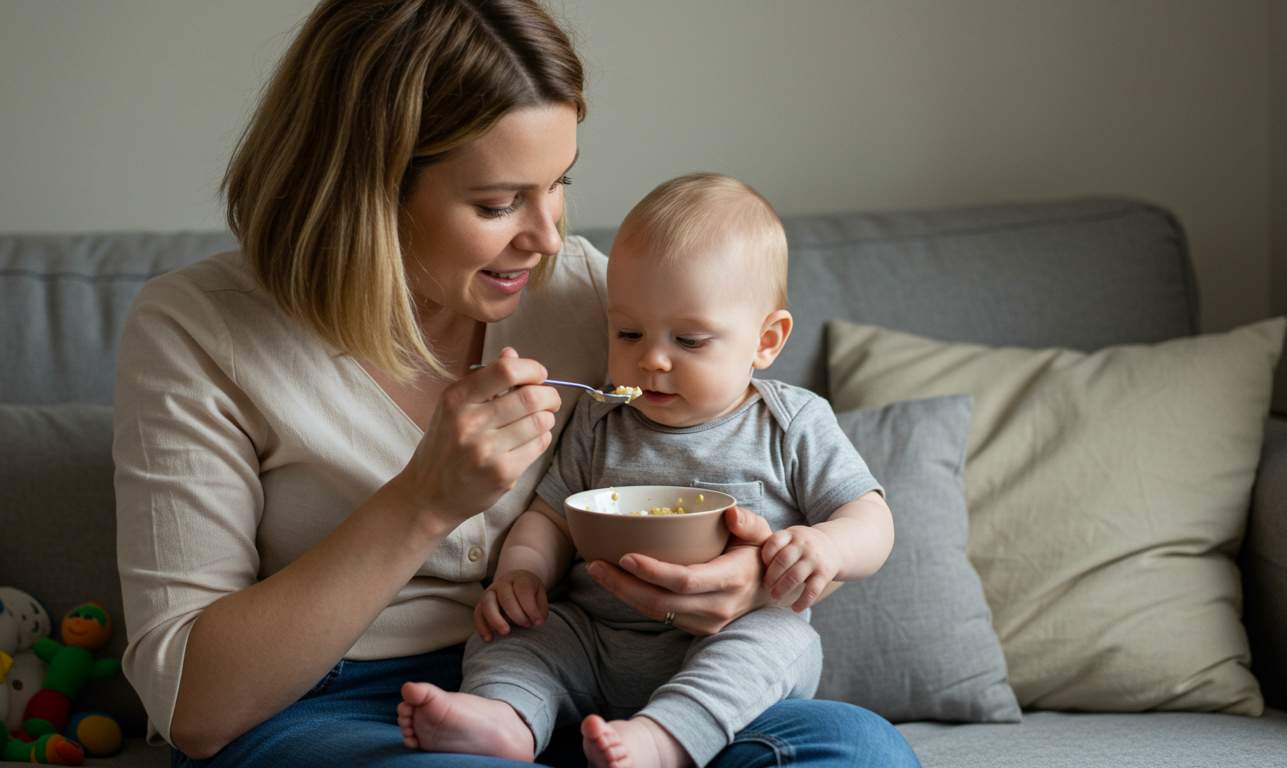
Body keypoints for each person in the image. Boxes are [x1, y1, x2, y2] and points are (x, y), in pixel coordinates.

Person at [113, 1, 921, 765]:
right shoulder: (198, 330)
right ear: (370, 192)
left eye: (559, 182)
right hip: (338, 704)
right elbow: (193, 709)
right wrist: (423, 499)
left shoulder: (595, 298)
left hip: (609, 683)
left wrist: (739, 583)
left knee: (858, 749)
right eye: (500, 203)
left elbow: (715, 453)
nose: (548, 235)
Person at [396, 173, 901, 768]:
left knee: (781, 638)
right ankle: (506, 720)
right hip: (592, 637)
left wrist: (827, 547)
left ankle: (666, 740)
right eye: (628, 332)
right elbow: (549, 517)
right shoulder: (600, 416)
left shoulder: (790, 422)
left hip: (722, 642)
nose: (651, 358)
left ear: (766, 341)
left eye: (689, 340)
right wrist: (521, 574)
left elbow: (871, 516)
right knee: (514, 633)